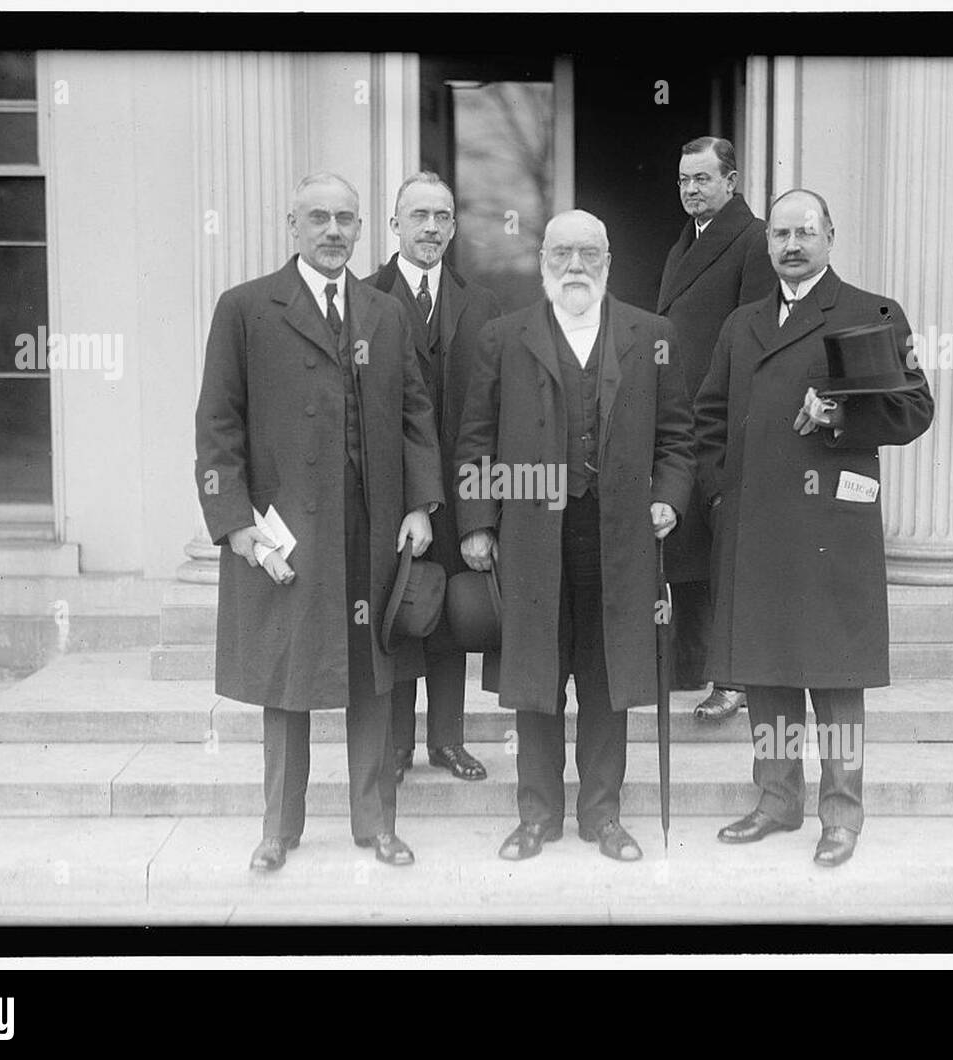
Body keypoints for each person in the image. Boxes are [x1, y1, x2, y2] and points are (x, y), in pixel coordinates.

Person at [194, 172, 444, 872]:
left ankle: (377, 825)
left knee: (375, 679)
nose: (334, 231)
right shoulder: (246, 309)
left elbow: (415, 414)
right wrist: (236, 522)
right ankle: (279, 829)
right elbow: (218, 423)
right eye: (319, 219)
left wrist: (422, 503)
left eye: (346, 220)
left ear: (362, 229)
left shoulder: (384, 313)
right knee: (287, 678)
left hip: (372, 526)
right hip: (287, 531)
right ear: (292, 225)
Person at [693, 189, 934, 867]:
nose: (792, 246)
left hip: (832, 525)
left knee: (835, 677)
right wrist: (718, 497)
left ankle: (841, 816)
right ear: (767, 243)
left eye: (805, 232)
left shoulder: (874, 313)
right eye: (780, 235)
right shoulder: (741, 324)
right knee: (765, 675)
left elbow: (916, 408)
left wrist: (841, 420)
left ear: (831, 235)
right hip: (754, 527)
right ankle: (776, 801)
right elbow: (708, 417)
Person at [454, 209, 695, 863]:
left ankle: (603, 815)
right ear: (542, 263)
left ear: (609, 262)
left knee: (605, 678)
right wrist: (477, 521)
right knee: (536, 679)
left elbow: (679, 438)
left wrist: (670, 499)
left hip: (618, 539)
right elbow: (474, 440)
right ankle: (537, 816)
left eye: (589, 253)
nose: (575, 265)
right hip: (532, 537)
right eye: (561, 253)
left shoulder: (652, 335)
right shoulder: (505, 337)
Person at [367, 172, 502, 785]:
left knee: (448, 615)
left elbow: (491, 419)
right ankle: (396, 745)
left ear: (453, 226)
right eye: (418, 215)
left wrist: (479, 515)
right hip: (387, 495)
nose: (430, 228)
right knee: (398, 613)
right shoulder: (364, 298)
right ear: (394, 224)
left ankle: (448, 739)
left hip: (458, 496)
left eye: (442, 216)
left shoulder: (481, 307)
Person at [656, 136, 776, 722]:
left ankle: (735, 680)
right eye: (683, 181)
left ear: (731, 182)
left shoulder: (753, 240)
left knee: (725, 554)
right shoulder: (686, 241)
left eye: (702, 179)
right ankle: (691, 662)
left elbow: (755, 341)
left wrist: (735, 422)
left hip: (721, 420)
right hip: (682, 416)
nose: (690, 190)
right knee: (688, 547)